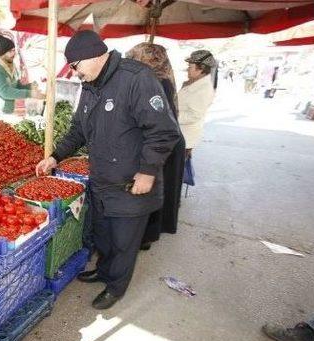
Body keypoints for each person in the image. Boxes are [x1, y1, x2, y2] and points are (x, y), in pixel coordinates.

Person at [35, 30, 180, 310]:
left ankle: (116, 287)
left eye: (75, 66)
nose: (75, 73)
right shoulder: (90, 86)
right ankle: (103, 270)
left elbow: (164, 131)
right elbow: (78, 130)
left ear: (93, 57)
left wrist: (148, 171)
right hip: (101, 178)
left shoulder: (136, 79)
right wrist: (55, 157)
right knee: (104, 233)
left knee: (125, 241)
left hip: (130, 181)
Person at [126, 43, 186, 249]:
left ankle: (146, 236)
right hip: (167, 142)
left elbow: (156, 123)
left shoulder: (157, 83)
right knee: (159, 189)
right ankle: (148, 234)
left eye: (136, 57)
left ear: (148, 59)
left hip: (163, 145)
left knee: (154, 190)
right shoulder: (161, 79)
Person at [0, 33, 43, 115]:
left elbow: (16, 86)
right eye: (10, 51)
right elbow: (5, 92)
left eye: (14, 50)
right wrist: (30, 94)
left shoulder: (12, 67)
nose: (13, 54)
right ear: (2, 53)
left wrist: (30, 87)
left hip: (7, 113)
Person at [178, 50, 216, 159]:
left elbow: (194, 115)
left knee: (177, 173)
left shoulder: (203, 90)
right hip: (180, 135)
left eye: (190, 66)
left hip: (185, 138)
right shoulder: (193, 83)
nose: (187, 69)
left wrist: (172, 115)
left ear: (200, 69)